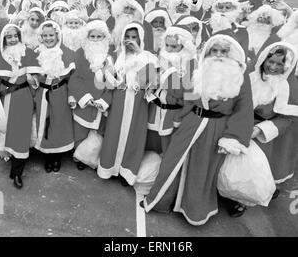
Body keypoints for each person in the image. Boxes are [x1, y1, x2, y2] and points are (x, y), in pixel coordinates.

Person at [142, 34, 254, 225]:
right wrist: (179, 118)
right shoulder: (200, 70)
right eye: (214, 50)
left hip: (217, 129)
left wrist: (232, 137)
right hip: (192, 122)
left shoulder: (240, 76)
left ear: (232, 53)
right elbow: (189, 97)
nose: (218, 55)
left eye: (223, 51)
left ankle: (193, 210)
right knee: (172, 161)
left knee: (201, 171)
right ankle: (161, 201)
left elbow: (244, 110)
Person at [97, 21, 158, 186]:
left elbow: (150, 82)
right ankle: (110, 168)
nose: (130, 41)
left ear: (141, 39)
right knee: (114, 134)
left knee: (133, 137)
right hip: (119, 102)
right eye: (128, 37)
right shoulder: (118, 57)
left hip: (138, 105)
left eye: (134, 37)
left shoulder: (149, 58)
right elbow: (110, 84)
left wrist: (139, 54)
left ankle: (126, 171)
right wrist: (107, 74)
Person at [68, 20, 114, 170]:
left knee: (98, 133)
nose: (95, 40)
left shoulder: (110, 56)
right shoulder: (80, 53)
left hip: (100, 101)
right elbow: (75, 79)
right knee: (80, 131)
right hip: (85, 102)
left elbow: (112, 82)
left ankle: (91, 158)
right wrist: (85, 97)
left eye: (98, 37)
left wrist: (105, 100)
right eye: (92, 36)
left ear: (104, 37)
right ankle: (79, 157)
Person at [250, 43, 298, 187]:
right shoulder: (251, 77)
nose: (273, 67)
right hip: (243, 127)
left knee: (259, 173)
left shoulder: (289, 87)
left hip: (267, 137)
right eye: (270, 61)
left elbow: (289, 119)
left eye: (279, 64)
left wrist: (260, 130)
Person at [0, 23, 39, 189]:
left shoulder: (27, 52)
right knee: (6, 130)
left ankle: (17, 171)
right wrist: (3, 89)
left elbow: (37, 80)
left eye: (15, 36)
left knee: (21, 133)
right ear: (4, 39)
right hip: (5, 99)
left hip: (23, 98)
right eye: (9, 37)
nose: (13, 39)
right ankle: (8, 157)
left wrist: (33, 80)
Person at [32, 20, 75, 173]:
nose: (48, 38)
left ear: (57, 35)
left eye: (51, 35)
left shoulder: (67, 53)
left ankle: (57, 157)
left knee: (58, 125)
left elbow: (72, 78)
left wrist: (71, 96)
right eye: (45, 36)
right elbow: (31, 75)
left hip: (60, 94)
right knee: (44, 124)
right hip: (42, 94)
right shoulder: (36, 53)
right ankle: (47, 156)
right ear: (41, 37)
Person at [147, 26, 197, 154]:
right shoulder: (161, 57)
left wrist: (168, 72)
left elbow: (184, 94)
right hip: (157, 109)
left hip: (174, 114)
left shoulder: (191, 64)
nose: (169, 50)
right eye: (167, 45)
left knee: (169, 148)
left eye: (174, 47)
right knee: (153, 142)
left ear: (184, 47)